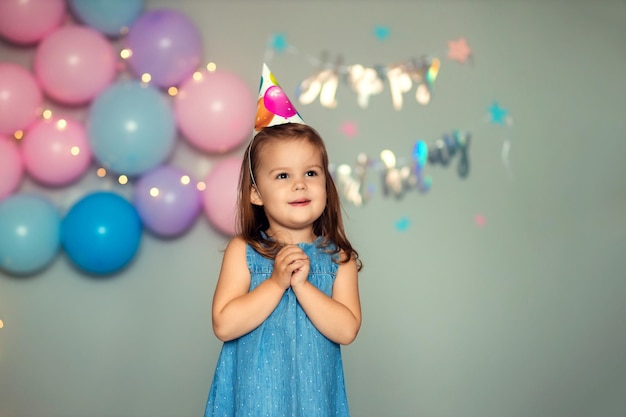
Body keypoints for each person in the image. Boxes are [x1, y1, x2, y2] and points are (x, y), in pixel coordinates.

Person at [204, 64, 362, 417]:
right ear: (256, 194)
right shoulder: (244, 251)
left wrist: (303, 287)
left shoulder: (340, 259)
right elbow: (224, 325)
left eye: (310, 172)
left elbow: (347, 330)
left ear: (326, 182)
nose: (299, 184)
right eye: (282, 175)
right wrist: (277, 283)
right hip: (254, 402)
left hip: (314, 402)